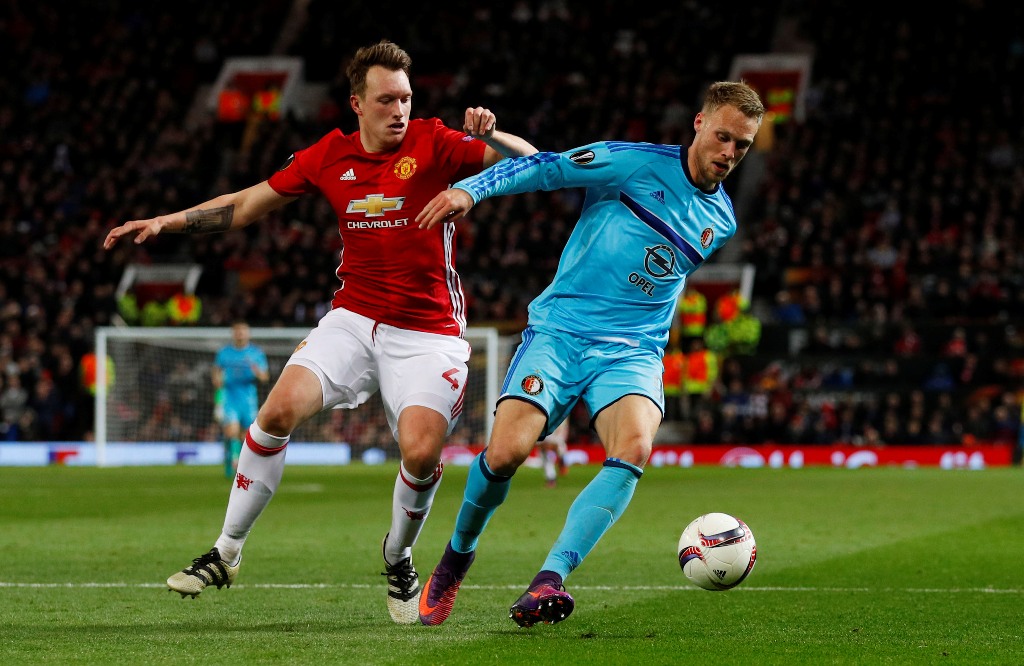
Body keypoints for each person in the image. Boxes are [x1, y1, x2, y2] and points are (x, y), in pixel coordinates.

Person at [103, 39, 537, 624]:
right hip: (353, 319)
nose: (400, 110)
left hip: (427, 332)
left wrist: (491, 135)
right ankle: (226, 551)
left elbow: (533, 161)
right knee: (276, 413)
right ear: (356, 103)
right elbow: (246, 204)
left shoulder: (437, 142)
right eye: (387, 100)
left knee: (420, 450)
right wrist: (166, 221)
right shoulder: (327, 156)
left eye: (406, 98)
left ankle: (398, 554)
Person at [414, 81, 764, 627]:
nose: (728, 153)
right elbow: (548, 167)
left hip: (631, 352)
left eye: (741, 147)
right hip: (560, 334)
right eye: (723, 137)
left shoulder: (722, 222)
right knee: (505, 454)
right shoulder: (629, 163)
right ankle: (457, 556)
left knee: (635, 446)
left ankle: (548, 580)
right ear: (699, 123)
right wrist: (471, 191)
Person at [213, 322, 269, 479]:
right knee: (231, 430)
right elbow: (216, 373)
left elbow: (265, 378)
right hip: (230, 396)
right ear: (233, 333)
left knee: (245, 434)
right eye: (237, 331)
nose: (240, 334)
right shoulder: (224, 353)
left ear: (248, 334)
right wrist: (217, 385)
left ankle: (237, 460)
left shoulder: (256, 353)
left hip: (248, 398)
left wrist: (256, 371)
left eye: (243, 331)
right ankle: (233, 464)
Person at [537, 418, 569, 488]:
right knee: (544, 453)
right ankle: (551, 478)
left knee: (559, 446)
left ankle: (562, 461)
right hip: (545, 430)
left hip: (557, 432)